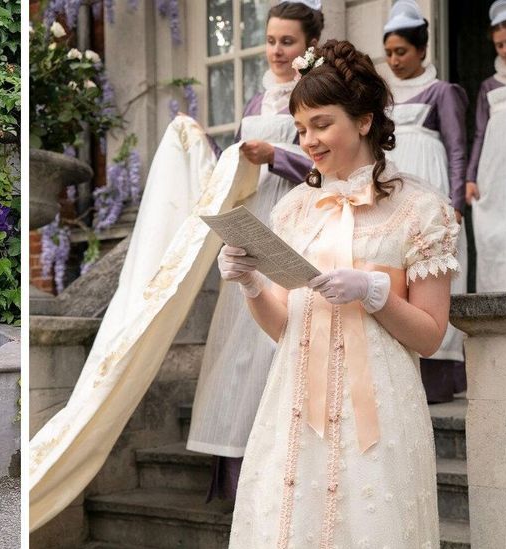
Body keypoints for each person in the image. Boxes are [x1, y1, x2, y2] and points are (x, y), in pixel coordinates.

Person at [222, 40, 456, 546]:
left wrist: (376, 293)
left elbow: (430, 337)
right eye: (301, 128)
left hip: (380, 411)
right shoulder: (292, 211)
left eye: (321, 124)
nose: (308, 141)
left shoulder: (422, 211)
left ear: (365, 121)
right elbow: (283, 327)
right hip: (295, 407)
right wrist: (252, 284)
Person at [187, 0, 320, 502]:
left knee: (279, 333)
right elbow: (237, 165)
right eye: (271, 40)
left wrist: (276, 156)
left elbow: (324, 167)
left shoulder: (313, 92)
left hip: (295, 217)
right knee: (239, 341)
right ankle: (237, 467)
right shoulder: (256, 100)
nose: (277, 50)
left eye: (288, 41)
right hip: (252, 218)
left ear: (308, 45)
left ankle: (284, 466)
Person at [378, 0, 469, 403]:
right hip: (396, 192)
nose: (394, 60)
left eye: (402, 51)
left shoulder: (442, 93)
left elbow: (457, 148)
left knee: (430, 271)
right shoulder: (383, 98)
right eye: (389, 53)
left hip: (432, 189)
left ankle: (438, 376)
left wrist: (456, 202)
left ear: (421, 50)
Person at [467, 0, 506, 292]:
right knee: (498, 236)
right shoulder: (489, 85)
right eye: (500, 45)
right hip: (495, 172)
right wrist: (471, 176)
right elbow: (480, 133)